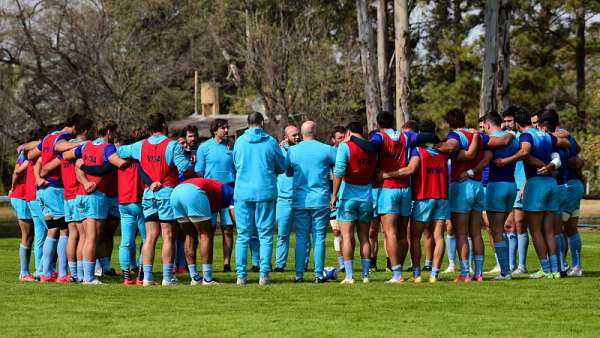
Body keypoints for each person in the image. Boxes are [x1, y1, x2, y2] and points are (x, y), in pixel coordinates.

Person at [494, 108, 570, 279]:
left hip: (536, 184)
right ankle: (556, 269)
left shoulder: (526, 136)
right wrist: (550, 165)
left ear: (519, 124)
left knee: (535, 230)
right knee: (549, 230)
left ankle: (545, 269)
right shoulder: (545, 134)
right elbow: (564, 144)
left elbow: (525, 152)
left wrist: (506, 160)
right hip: (552, 183)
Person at [118, 113, 191, 286]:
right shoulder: (172, 145)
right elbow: (184, 168)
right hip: (166, 193)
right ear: (164, 125)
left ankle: (147, 278)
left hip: (149, 195)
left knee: (150, 237)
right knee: (168, 236)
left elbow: (120, 151)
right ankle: (167, 277)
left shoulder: (140, 145)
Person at [382, 120, 448, 283]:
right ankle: (434, 274)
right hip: (442, 197)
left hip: (424, 197)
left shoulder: (418, 152)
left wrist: (387, 175)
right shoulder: (443, 152)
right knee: (438, 236)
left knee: (415, 236)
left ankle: (417, 273)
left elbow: (410, 170)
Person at [62, 119, 127, 284]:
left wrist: (83, 179)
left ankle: (83, 275)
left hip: (80, 195)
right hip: (96, 196)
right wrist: (126, 160)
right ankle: (89, 278)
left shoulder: (85, 146)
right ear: (109, 132)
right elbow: (119, 163)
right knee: (92, 238)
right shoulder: (108, 147)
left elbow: (67, 156)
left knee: (83, 238)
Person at [233, 112, 285, 285]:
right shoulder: (270, 142)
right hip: (265, 191)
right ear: (262, 123)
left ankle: (241, 276)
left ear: (248, 123)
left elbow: (235, 164)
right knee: (265, 235)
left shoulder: (239, 142)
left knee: (243, 235)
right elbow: (282, 166)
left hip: (243, 192)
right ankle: (264, 275)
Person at [29, 115, 80, 283]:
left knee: (52, 230)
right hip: (55, 189)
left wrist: (37, 178)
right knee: (65, 230)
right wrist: (84, 144)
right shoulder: (64, 138)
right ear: (74, 127)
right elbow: (59, 155)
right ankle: (63, 273)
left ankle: (46, 273)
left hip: (42, 191)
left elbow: (33, 157)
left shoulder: (48, 137)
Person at [369, 112, 418, 283]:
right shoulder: (406, 137)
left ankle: (396, 274)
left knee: (390, 233)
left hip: (388, 189)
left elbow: (370, 148)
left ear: (378, 123)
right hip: (406, 188)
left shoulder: (378, 137)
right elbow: (428, 136)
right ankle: (399, 269)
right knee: (403, 234)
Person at [285, 121, 336, 283]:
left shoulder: (292, 151)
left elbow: (288, 172)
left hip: (300, 199)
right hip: (321, 198)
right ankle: (318, 274)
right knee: (319, 237)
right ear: (315, 131)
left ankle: (299, 274)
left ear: (302, 132)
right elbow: (341, 165)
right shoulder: (326, 149)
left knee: (301, 237)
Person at [538, 110, 584, 276]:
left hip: (565, 186)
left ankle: (561, 265)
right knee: (571, 228)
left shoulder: (554, 139)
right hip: (574, 185)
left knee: (557, 228)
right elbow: (577, 149)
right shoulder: (567, 136)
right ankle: (575, 266)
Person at [331, 121, 377, 284]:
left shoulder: (345, 147)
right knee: (365, 237)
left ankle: (349, 276)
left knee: (347, 236)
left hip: (348, 196)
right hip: (366, 197)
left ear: (349, 133)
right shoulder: (371, 149)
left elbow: (339, 172)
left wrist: (334, 195)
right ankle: (366, 275)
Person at [50, 117, 94, 282]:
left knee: (72, 235)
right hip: (78, 193)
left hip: (67, 195)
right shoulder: (83, 148)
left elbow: (48, 165)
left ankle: (73, 274)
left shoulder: (65, 148)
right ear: (87, 130)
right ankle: (82, 275)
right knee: (84, 236)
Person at [171, 177, 234, 285]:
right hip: (194, 192)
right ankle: (208, 279)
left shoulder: (218, 186)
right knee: (206, 234)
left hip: (176, 192)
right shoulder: (232, 191)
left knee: (189, 235)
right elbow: (234, 214)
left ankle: (194, 278)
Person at [195, 118, 238, 272]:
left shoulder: (232, 146)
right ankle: (209, 264)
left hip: (228, 191)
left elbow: (237, 168)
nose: (226, 130)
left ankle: (227, 264)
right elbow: (199, 171)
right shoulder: (204, 148)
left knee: (227, 228)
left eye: (227, 127)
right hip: (210, 193)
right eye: (223, 128)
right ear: (214, 130)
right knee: (209, 230)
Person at [481, 112, 520, 280]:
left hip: (496, 185)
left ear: (488, 125)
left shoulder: (491, 141)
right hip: (512, 185)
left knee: (496, 230)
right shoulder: (515, 139)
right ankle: (507, 268)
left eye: (484, 127)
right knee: (501, 228)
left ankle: (505, 271)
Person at [502, 106, 529, 274]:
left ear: (516, 122)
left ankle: (522, 265)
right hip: (511, 185)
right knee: (509, 225)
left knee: (520, 224)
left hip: (522, 184)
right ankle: (511, 265)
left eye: (510, 121)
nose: (507, 124)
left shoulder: (523, 138)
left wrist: (525, 183)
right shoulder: (506, 138)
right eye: (505, 121)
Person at [274, 125, 301, 272]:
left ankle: (302, 263)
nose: (297, 137)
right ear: (286, 137)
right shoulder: (278, 151)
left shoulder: (303, 150)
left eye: (298, 134)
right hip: (283, 199)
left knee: (303, 235)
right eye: (294, 135)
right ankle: (280, 265)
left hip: (300, 198)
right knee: (282, 235)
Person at [9, 148, 35, 282]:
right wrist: (13, 188)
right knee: (27, 235)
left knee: (31, 236)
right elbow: (16, 172)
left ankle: (28, 271)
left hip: (25, 196)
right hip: (21, 196)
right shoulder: (27, 156)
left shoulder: (23, 155)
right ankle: (24, 273)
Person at [329, 126, 347, 272]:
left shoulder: (350, 150)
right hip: (333, 197)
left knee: (348, 231)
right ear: (333, 140)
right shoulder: (329, 154)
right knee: (336, 231)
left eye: (343, 137)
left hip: (348, 195)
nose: (342, 140)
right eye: (339, 138)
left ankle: (348, 261)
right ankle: (341, 263)